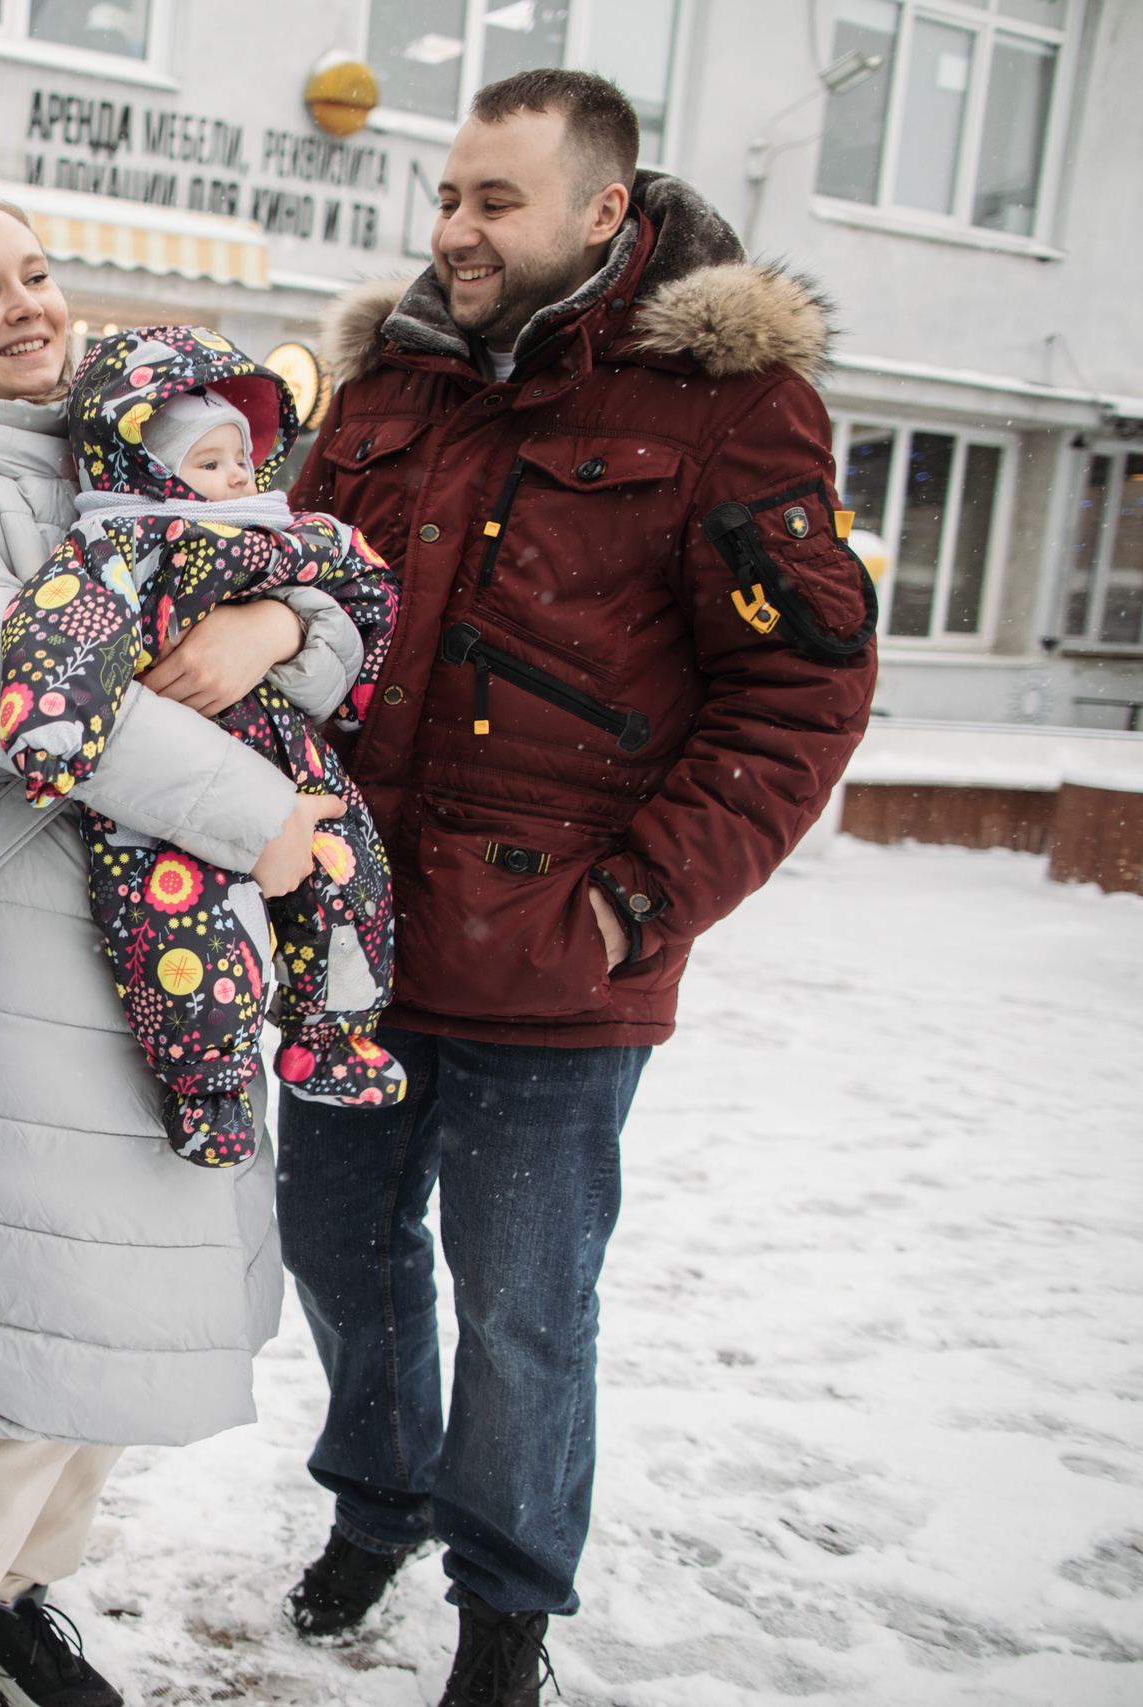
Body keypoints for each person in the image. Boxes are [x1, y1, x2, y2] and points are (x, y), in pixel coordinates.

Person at [271, 70, 878, 1707]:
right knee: (338, 1249)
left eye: (496, 203)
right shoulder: (391, 377)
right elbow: (308, 607)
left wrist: (640, 901)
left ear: (605, 212)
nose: (455, 230)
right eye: (449, 196)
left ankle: (505, 1607)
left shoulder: (732, 406)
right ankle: (379, 1497)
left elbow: (805, 687)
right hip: (359, 933)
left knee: (527, 1310)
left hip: (561, 955)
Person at [0, 193, 348, 1707]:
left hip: (169, 941)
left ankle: (15, 1592)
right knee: (22, 1345)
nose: (29, 303)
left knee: (112, 1327)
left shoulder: (130, 440)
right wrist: (259, 813)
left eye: (37, 273)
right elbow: (37, 705)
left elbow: (319, 584)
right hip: (24, 939)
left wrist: (275, 632)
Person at [0, 326, 407, 1170]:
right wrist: (53, 721)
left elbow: (366, 577)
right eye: (209, 462)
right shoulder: (122, 546)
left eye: (241, 457)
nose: (236, 477)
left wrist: (317, 647)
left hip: (298, 767)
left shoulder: (285, 533)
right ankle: (209, 1085)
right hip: (175, 800)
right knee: (180, 935)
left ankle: (330, 1036)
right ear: (148, 465)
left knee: (351, 879)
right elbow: (67, 620)